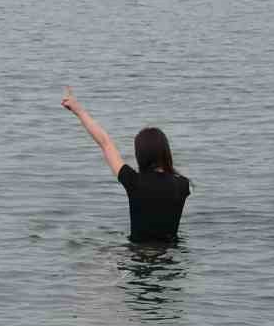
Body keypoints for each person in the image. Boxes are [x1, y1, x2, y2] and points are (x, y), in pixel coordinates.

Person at [61, 86, 190, 243]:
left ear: (140, 155)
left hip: (137, 256)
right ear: (165, 151)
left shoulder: (133, 181)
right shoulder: (183, 185)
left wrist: (78, 111)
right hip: (170, 258)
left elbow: (105, 143)